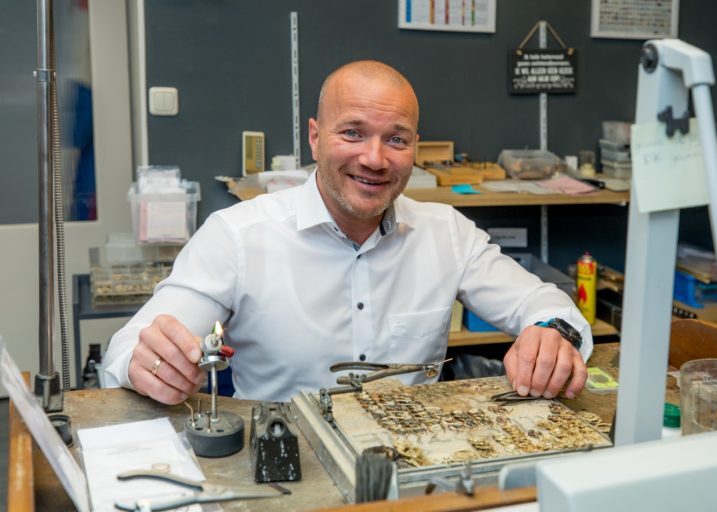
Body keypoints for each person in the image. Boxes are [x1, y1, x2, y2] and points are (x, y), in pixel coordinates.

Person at [103, 60, 592, 404]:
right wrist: (151, 363)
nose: (375, 159)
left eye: (395, 139)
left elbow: (548, 305)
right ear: (315, 137)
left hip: (415, 467)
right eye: (353, 132)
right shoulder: (237, 236)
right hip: (285, 472)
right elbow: (124, 353)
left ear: (415, 147)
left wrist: (551, 335)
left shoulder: (447, 233)